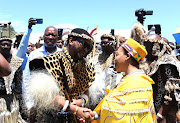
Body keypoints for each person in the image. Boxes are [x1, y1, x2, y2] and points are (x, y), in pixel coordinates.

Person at [28, 28, 95, 122]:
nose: (86, 49)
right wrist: (75, 109)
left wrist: (82, 101)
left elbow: (86, 89)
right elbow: (48, 97)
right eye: (84, 44)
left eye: (89, 46)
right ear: (71, 40)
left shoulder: (86, 68)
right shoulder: (47, 63)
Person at [93, 38, 156, 123]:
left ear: (127, 56)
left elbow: (121, 116)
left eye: (117, 55)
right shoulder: (131, 78)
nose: (115, 59)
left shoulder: (137, 82)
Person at [88, 33, 123, 110]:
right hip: (96, 94)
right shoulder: (96, 57)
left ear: (112, 43)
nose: (103, 45)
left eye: (105, 43)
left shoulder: (117, 58)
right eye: (102, 43)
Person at [0, 37, 25, 123]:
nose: (6, 47)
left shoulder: (16, 62)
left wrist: (21, 105)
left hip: (11, 101)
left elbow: (18, 85)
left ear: (11, 46)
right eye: (3, 44)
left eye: (8, 45)